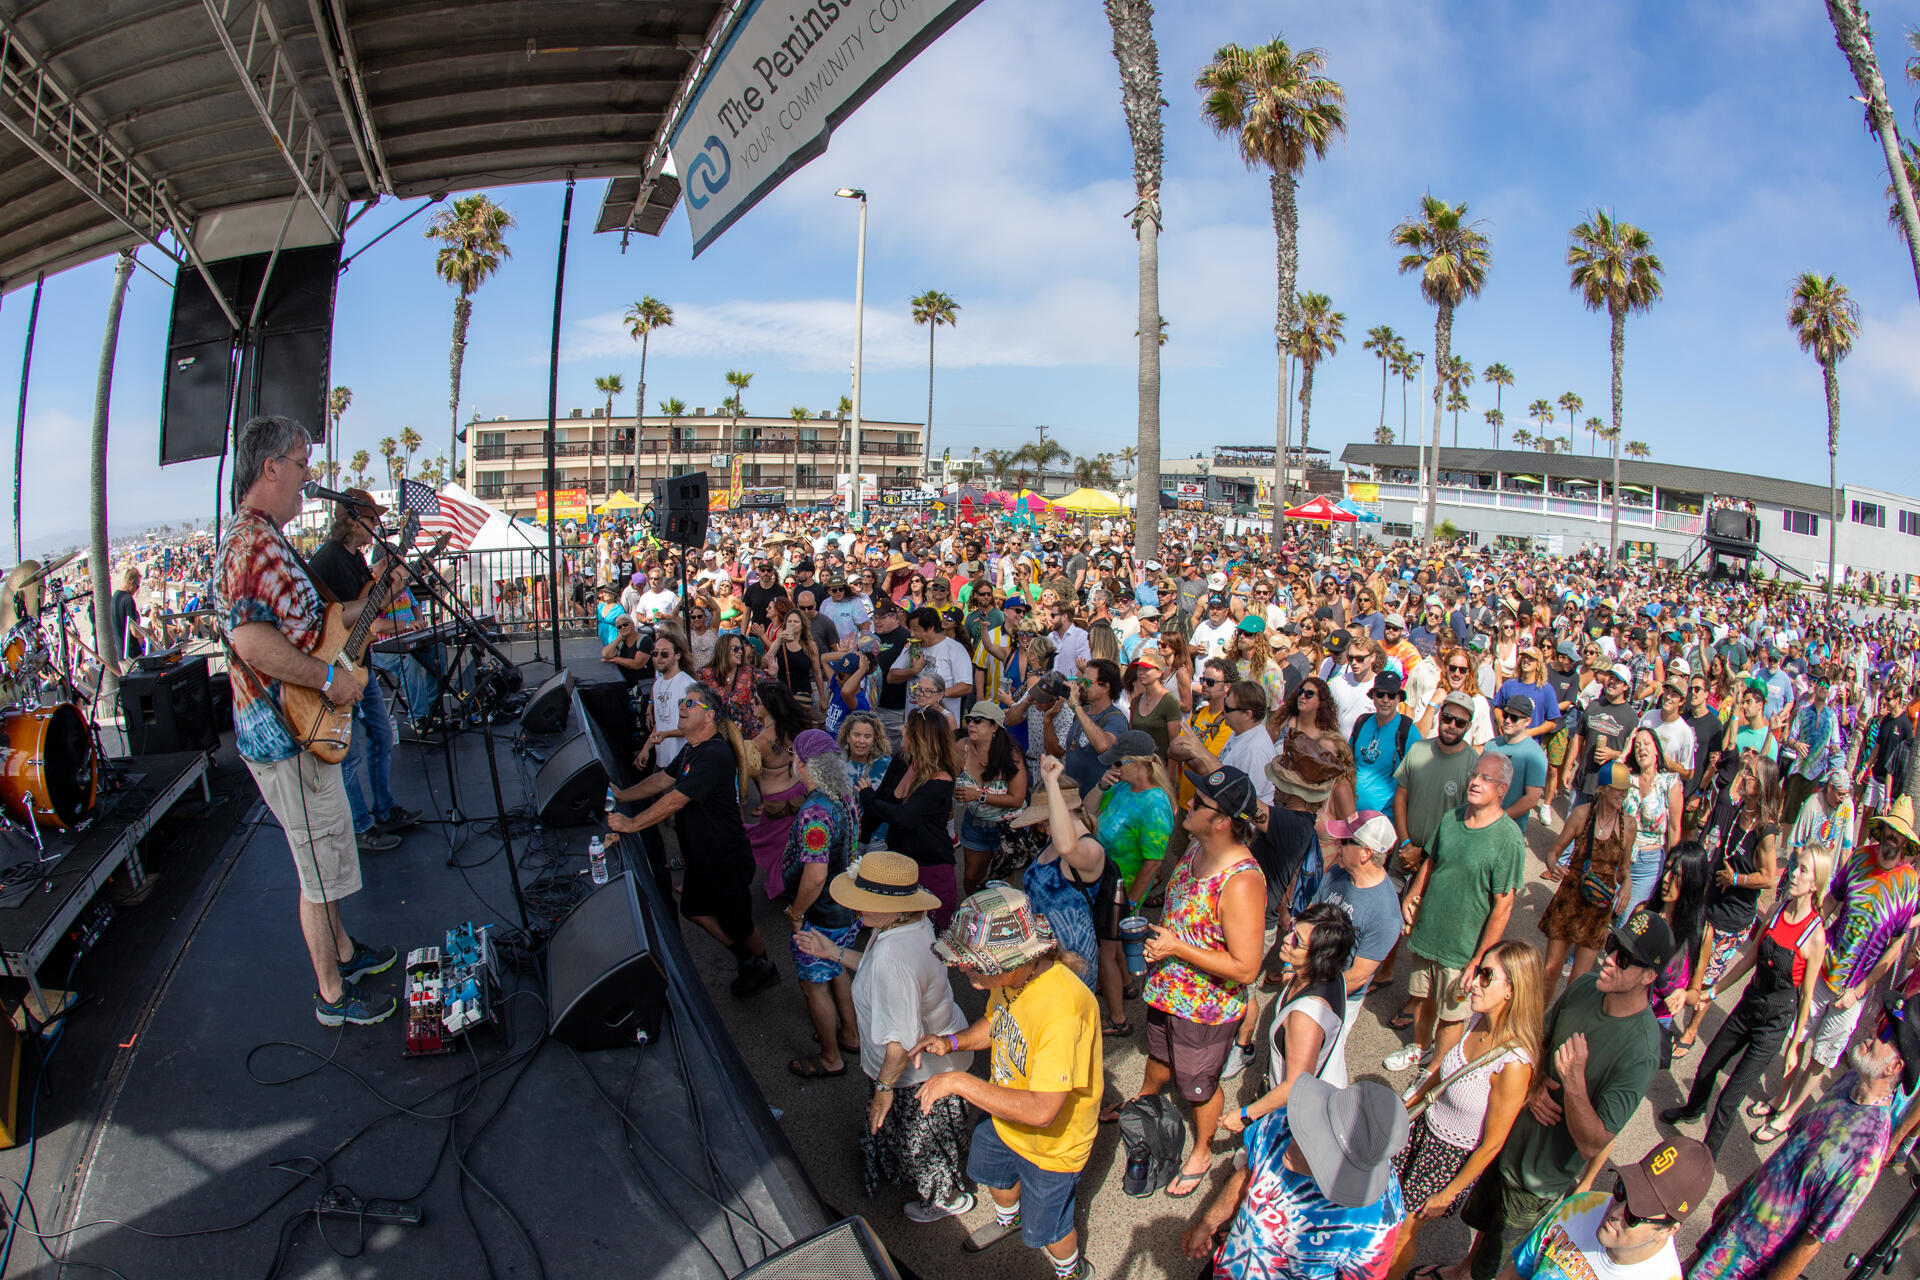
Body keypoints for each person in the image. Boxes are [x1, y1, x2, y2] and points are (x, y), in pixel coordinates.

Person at [212, 414, 398, 1027]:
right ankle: (332, 997)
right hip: (286, 731)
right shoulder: (248, 544)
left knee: (329, 856)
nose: (307, 477)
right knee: (317, 869)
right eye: (300, 463)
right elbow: (251, 641)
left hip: (304, 728)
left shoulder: (269, 538)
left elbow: (316, 625)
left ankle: (343, 954)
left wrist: (382, 591)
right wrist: (328, 681)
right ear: (270, 468)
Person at [1445, 910, 1671, 1280]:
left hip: (1538, 1176)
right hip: (1507, 1140)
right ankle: (1460, 1271)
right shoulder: (1585, 987)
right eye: (1612, 945)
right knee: (1482, 1227)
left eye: (1624, 958)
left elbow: (1594, 1144)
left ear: (1649, 976)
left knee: (1498, 1262)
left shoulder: (1640, 1052)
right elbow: (1539, 1040)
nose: (1609, 959)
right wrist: (1532, 1088)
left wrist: (1574, 1082)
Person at [915, 887, 1101, 1280]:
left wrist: (959, 1083)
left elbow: (1042, 1110)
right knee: (997, 1179)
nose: (965, 972)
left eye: (974, 966)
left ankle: (1070, 1270)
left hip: (1050, 1146)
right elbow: (998, 1024)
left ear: (1016, 961)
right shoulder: (1010, 979)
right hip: (1004, 1118)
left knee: (1051, 1231)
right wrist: (952, 1042)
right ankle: (1007, 1219)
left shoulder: (1061, 1010)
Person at [794, 850, 975, 1220]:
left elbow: (899, 1045)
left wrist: (883, 1089)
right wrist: (834, 952)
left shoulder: (895, 956)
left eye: (866, 903)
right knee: (920, 1136)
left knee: (924, 1144)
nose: (857, 911)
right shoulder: (910, 922)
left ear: (894, 907)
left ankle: (949, 1200)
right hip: (932, 1061)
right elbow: (877, 968)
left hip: (916, 1075)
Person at [1119, 764, 1266, 1197]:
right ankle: (1143, 1101)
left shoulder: (1241, 882)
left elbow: (1246, 968)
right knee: (1159, 1058)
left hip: (1204, 1009)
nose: (1189, 802)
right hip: (1168, 992)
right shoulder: (1196, 848)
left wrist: (1176, 949)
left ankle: (1202, 1150)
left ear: (1222, 820)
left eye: (1199, 802)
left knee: (1198, 1088)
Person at [1685, 1009, 1920, 1280]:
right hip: (1736, 1224)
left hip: (1750, 1262)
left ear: (1893, 1067)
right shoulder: (1849, 1084)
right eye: (1880, 1023)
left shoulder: (1867, 1152)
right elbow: (1788, 1155)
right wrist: (1735, 1196)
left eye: (1884, 1033)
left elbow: (1814, 1240)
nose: (1871, 1031)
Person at [1758, 795, 1920, 1139]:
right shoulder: (1861, 857)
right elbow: (1832, 899)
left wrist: (1860, 991)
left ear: (1905, 844)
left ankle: (1788, 1114)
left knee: (1822, 1056)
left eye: (1897, 838)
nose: (1890, 842)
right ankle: (1779, 1097)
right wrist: (1811, 932)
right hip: (1825, 967)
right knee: (1797, 1038)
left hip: (1856, 988)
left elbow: (1894, 948)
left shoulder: (1909, 886)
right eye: (1888, 833)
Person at [610, 683, 779, 997]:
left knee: (741, 925)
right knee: (693, 909)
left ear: (711, 716)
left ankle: (764, 967)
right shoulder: (691, 748)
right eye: (682, 702)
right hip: (704, 859)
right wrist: (622, 795)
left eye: (691, 703)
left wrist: (632, 823)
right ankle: (746, 959)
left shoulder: (714, 754)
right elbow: (661, 780)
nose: (682, 707)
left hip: (725, 859)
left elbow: (675, 799)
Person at [1391, 941, 1544, 1280]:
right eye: (1478, 971)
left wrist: (1449, 1193)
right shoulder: (1478, 1019)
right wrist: (1408, 1107)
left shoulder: (1514, 1063)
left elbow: (1492, 1143)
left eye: (1486, 976)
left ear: (1512, 989)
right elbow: (1443, 1073)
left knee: (1403, 1233)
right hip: (1421, 1131)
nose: (1473, 982)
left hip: (1447, 1156)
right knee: (1383, 1211)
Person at [1661, 847, 1830, 1154]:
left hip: (1774, 1023)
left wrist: (1794, 1047)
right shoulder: (1777, 911)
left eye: (1803, 870)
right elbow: (1749, 959)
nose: (1794, 873)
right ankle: (1692, 1110)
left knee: (1729, 1098)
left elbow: (1806, 996)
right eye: (1795, 867)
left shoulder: (1816, 935)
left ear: (1815, 883)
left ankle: (1705, 1158)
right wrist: (1714, 990)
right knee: (1708, 1065)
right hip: (1749, 1004)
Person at [1182, 1076, 1407, 1280]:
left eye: (1314, 1145)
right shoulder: (1281, 1123)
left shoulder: (1377, 1223)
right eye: (1307, 1127)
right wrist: (1209, 1222)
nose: (1293, 1141)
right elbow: (1249, 1173)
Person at [1391, 754, 1524, 1075]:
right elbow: (1432, 862)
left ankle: (1435, 1070)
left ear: (1503, 788)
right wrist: (1413, 895)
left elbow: (1503, 906)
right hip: (1429, 933)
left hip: (1463, 948)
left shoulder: (1508, 839)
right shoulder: (1451, 819)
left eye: (1486, 779)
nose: (1475, 782)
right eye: (1475, 775)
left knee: (1452, 1013)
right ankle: (1420, 1049)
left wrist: (1480, 960)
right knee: (1421, 997)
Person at [305, 489, 422, 851]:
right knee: (349, 752)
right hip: (339, 667)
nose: (375, 527)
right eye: (371, 520)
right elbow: (331, 617)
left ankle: (384, 808)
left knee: (382, 737)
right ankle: (360, 825)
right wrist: (377, 599)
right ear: (351, 520)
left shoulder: (354, 559)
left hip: (360, 663)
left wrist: (392, 590)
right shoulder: (327, 561)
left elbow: (369, 607)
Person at [1672, 753, 1782, 1056]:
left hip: (1733, 916)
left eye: (1750, 774)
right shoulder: (1737, 812)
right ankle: (1670, 1009)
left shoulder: (1765, 830)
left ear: (1761, 786)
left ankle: (1692, 1029)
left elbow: (1769, 878)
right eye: (1745, 771)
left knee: (1708, 975)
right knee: (1689, 959)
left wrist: (1737, 881)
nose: (1743, 776)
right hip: (1711, 901)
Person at [1500, 1136, 1715, 1280]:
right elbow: (1516, 1273)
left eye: (1634, 1215)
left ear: (1668, 1230)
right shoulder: (1578, 1208)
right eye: (1622, 1191)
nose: (1615, 1212)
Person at [779, 730, 865, 1080]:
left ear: (802, 762)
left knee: (814, 983)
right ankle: (850, 1033)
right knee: (838, 965)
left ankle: (831, 1057)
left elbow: (814, 876)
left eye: (793, 754)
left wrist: (796, 913)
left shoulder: (816, 810)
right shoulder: (845, 794)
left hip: (823, 911)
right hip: (848, 904)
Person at [1225, 902, 1356, 1127]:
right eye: (1294, 929)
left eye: (1298, 942)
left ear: (1319, 957)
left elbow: (1295, 1085)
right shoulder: (1330, 975)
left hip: (1301, 1116)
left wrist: (1246, 1115)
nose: (1287, 938)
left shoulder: (1307, 1017)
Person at [1537, 763, 1636, 1006]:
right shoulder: (1581, 815)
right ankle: (1534, 1022)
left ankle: (1557, 1027)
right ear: (1602, 788)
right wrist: (1553, 866)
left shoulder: (1629, 825)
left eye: (1625, 790)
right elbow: (1554, 852)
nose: (1622, 795)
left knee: (1578, 982)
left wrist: (1628, 885)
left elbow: (1624, 869)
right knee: (1550, 971)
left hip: (1598, 909)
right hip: (1569, 901)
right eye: (1617, 789)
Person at [861, 709, 962, 929]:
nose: (900, 729)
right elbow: (884, 800)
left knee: (930, 941)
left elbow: (904, 817)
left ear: (920, 737)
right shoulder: (903, 762)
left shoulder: (941, 779)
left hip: (930, 869)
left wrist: (868, 797)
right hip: (900, 865)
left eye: (907, 727)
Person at [955, 702, 1029, 895]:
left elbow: (1016, 799)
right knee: (971, 877)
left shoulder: (1011, 754)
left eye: (978, 721)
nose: (971, 724)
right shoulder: (962, 747)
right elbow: (950, 776)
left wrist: (978, 796)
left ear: (995, 726)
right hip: (975, 823)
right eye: (969, 719)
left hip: (1008, 827)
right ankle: (974, 915)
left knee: (1001, 883)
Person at [1618, 729, 1683, 927]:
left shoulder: (1669, 782)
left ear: (1657, 750)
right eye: (1637, 745)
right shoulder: (1628, 778)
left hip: (1648, 863)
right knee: (1600, 908)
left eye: (1646, 743)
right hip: (1619, 855)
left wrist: (1669, 868)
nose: (1641, 748)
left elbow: (1674, 829)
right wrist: (1624, 752)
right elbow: (1607, 779)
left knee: (1626, 918)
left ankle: (1613, 957)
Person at [1060, 659, 1128, 796]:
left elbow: (1104, 746)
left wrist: (1076, 707)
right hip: (1073, 800)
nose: (1081, 686)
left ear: (1106, 687)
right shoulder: (1083, 712)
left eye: (1088, 683)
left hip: (1097, 803)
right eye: (1082, 681)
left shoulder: (1116, 719)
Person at [1487, 695, 1550, 831]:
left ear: (1527, 722)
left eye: (1514, 718)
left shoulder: (1535, 755)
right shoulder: (1491, 745)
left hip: (1508, 828)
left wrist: (1499, 819)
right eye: (1506, 715)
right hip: (1481, 820)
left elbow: (1532, 798)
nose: (1508, 720)